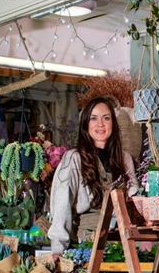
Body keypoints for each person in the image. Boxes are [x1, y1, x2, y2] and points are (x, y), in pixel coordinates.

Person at [49, 97, 139, 258]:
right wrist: (58, 248)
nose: (100, 124)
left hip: (123, 241)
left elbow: (134, 198)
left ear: (113, 124)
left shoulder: (124, 159)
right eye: (93, 118)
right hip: (89, 242)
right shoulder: (74, 158)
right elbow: (62, 203)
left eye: (106, 118)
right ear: (85, 124)